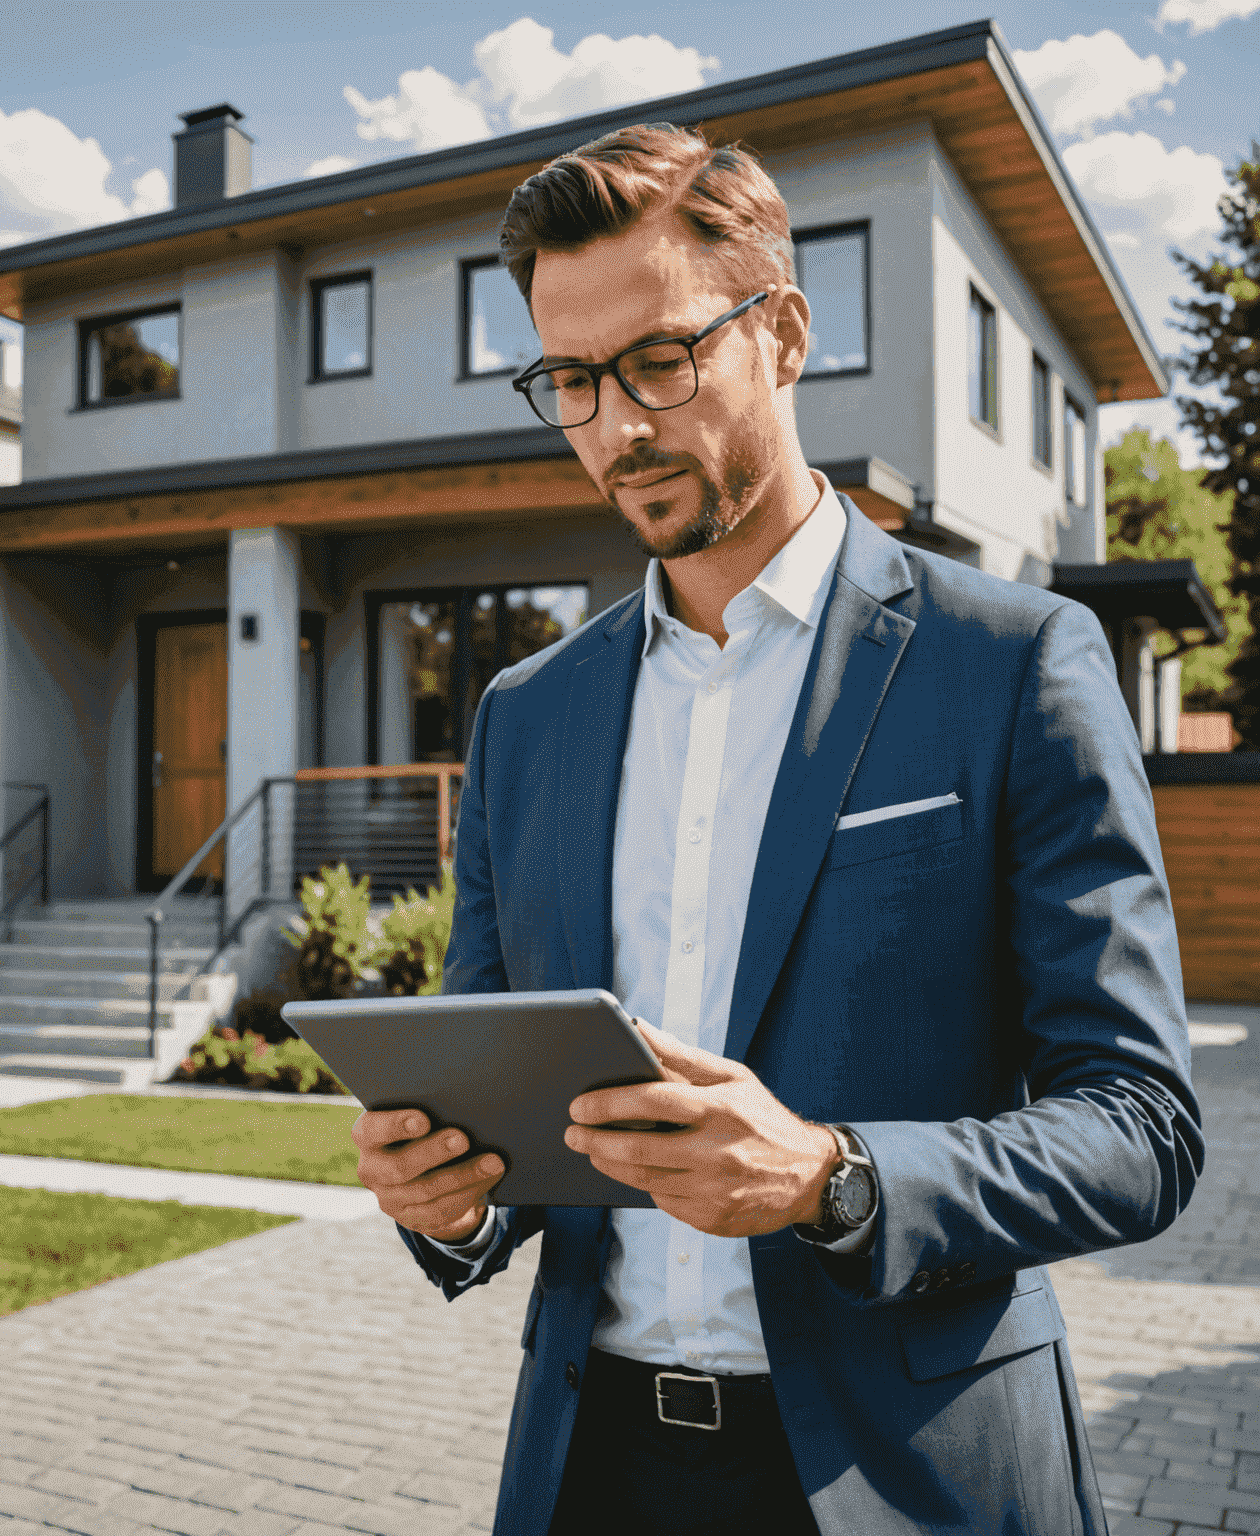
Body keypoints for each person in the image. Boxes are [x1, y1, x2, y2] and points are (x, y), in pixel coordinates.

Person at [350, 123, 1201, 1536]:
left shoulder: (1014, 664)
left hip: (912, 1471)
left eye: (660, 362)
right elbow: (494, 1091)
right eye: (571, 382)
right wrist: (449, 1200)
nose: (618, 426)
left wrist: (833, 1177)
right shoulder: (526, 718)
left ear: (785, 332)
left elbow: (1143, 1128)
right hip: (593, 1470)